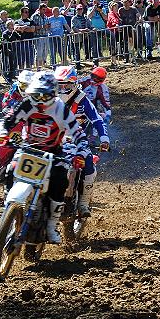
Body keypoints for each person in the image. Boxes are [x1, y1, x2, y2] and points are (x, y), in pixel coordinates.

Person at [0, 74, 82, 244]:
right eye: (36, 95)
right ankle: (9, 209)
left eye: (45, 96)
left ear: (53, 94)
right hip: (28, 149)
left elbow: (78, 133)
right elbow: (8, 120)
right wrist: (3, 133)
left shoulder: (61, 109)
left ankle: (51, 226)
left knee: (60, 180)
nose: (40, 100)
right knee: (11, 169)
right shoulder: (27, 104)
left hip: (53, 152)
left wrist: (81, 152)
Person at [54, 66, 110, 217]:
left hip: (76, 140)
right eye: (59, 86)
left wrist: (104, 138)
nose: (63, 89)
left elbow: (97, 119)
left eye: (66, 86)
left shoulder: (82, 100)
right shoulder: (50, 98)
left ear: (74, 85)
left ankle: (83, 203)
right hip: (53, 138)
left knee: (88, 163)